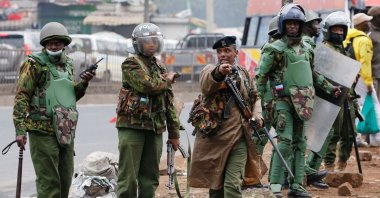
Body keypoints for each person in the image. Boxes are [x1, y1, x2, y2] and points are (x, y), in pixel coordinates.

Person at [256, 4, 341, 197]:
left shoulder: (308, 47)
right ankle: (275, 185)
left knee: (301, 143)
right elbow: (260, 77)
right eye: (289, 23)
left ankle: (297, 185)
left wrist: (329, 88)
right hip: (282, 102)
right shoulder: (274, 49)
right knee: (285, 142)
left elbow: (312, 74)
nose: (293, 27)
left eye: (296, 23)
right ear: (282, 25)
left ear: (301, 25)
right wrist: (261, 104)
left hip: (304, 102)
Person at [13, 22, 95, 197]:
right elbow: (22, 96)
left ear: (64, 44)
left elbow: (70, 97)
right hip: (41, 131)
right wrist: (20, 129)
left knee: (64, 181)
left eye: (57, 42)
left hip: (65, 131)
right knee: (49, 184)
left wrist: (84, 82)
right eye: (50, 42)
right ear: (44, 44)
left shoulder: (68, 65)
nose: (54, 45)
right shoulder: (33, 64)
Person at [188, 36, 264, 197]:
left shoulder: (244, 73)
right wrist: (219, 73)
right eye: (220, 51)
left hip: (239, 137)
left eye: (227, 50)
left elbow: (255, 96)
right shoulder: (209, 70)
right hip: (215, 139)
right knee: (216, 188)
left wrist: (258, 116)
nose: (223, 54)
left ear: (235, 52)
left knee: (232, 186)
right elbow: (207, 84)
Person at [115, 22, 180, 197]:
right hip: (132, 128)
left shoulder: (160, 66)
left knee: (150, 177)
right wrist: (168, 80)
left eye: (154, 40)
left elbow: (168, 101)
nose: (151, 44)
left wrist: (174, 133)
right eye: (147, 41)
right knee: (128, 177)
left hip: (155, 128)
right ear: (138, 43)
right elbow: (147, 86)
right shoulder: (130, 64)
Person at [307, 11, 355, 182]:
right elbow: (320, 74)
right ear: (328, 30)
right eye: (335, 30)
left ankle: (341, 163)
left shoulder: (343, 49)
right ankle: (328, 167)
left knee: (349, 133)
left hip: (346, 97)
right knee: (331, 133)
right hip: (329, 97)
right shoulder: (324, 49)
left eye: (342, 30)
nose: (339, 33)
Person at [344, 13, 380, 147]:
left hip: (350, 77)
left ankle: (355, 137)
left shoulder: (347, 37)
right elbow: (365, 63)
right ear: (360, 24)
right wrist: (369, 84)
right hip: (361, 78)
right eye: (366, 22)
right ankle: (377, 138)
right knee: (374, 105)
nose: (369, 23)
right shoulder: (364, 40)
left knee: (356, 106)